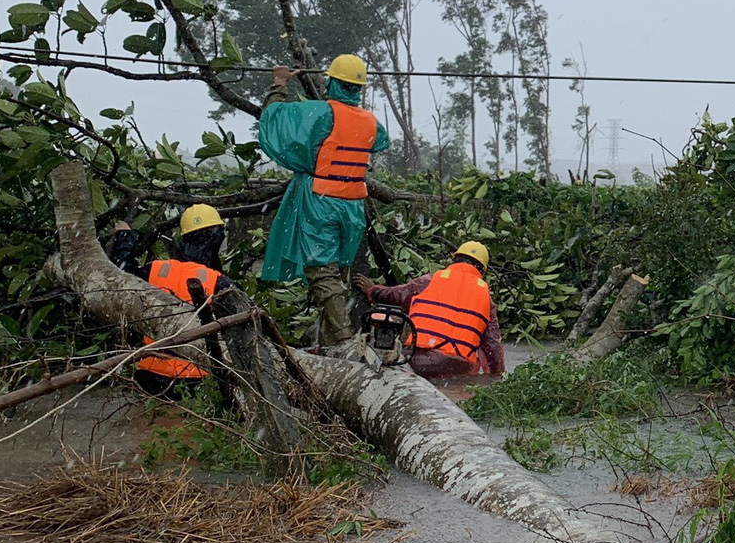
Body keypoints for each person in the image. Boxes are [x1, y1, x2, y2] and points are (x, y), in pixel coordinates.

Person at [255, 54, 390, 349]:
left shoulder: (320, 113)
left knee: (321, 271)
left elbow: (274, 117)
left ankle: (345, 341)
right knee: (338, 276)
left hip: (322, 201)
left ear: (332, 82)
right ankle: (331, 349)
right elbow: (381, 141)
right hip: (353, 207)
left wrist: (279, 83)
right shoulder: (371, 122)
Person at [107, 204, 233, 394]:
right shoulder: (220, 283)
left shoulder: (155, 270)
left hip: (150, 377)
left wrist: (124, 237)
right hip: (197, 381)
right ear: (216, 238)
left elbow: (120, 275)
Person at [355, 241, 506, 379]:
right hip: (457, 367)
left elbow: (396, 295)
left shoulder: (429, 280)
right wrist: (497, 376)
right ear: (482, 270)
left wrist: (373, 290)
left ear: (454, 260)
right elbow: (492, 346)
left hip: (416, 361)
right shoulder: (486, 299)